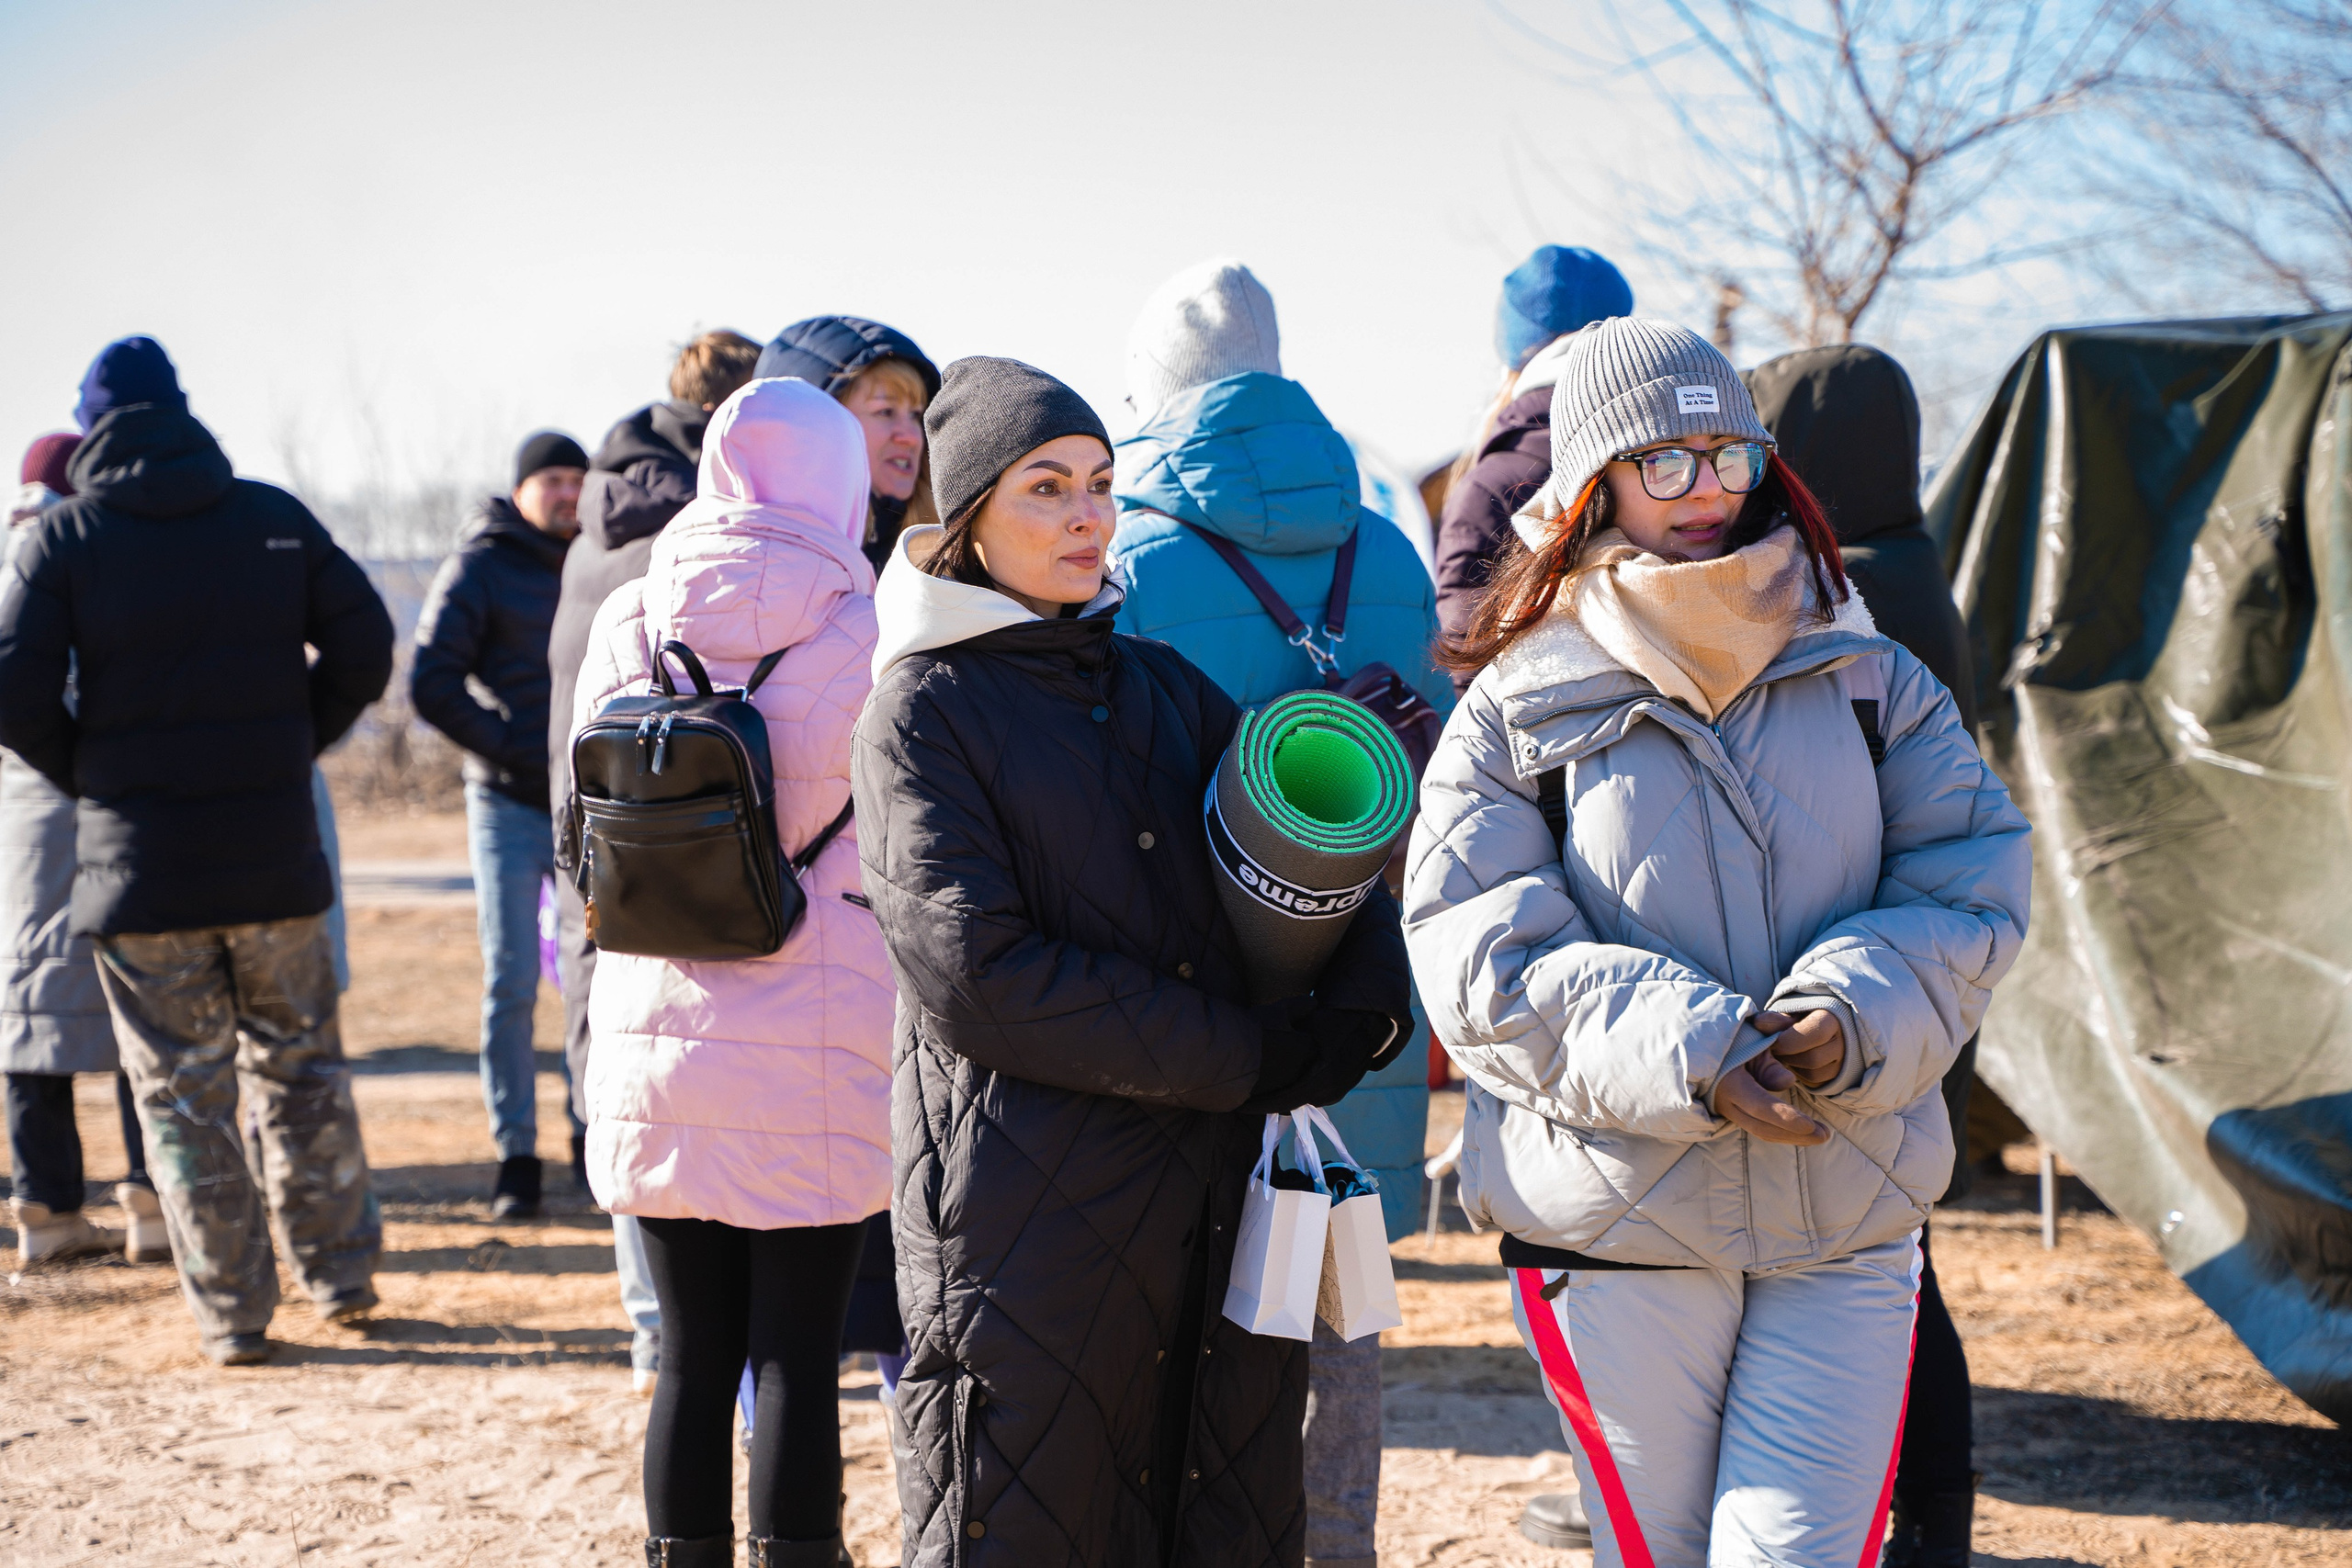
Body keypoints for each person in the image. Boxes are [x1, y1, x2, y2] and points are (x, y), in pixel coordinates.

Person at [1404, 317, 2032, 1568]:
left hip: (1844, 1207)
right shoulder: (1512, 709)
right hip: (1618, 1223)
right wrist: (1690, 1041)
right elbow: (1479, 954)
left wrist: (1855, 1009)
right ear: (1594, 482)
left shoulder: (1867, 673)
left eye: (1728, 455)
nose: (1708, 492)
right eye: (1665, 462)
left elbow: (1976, 877)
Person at [853, 355, 1412, 1568]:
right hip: (1028, 1230)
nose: (1088, 513)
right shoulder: (921, 711)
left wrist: (1365, 1002)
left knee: (1224, 1522)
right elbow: (977, 973)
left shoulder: (1164, 683)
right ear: (967, 518)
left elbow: (1310, 863)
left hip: (1218, 1223)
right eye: (1046, 487)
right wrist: (1246, 1055)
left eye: (1101, 482)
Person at [1110, 257, 1450, 1568]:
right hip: (1353, 981)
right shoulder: (1391, 553)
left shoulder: (1125, 553)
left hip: (1187, 1002)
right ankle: (1342, 1545)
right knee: (1335, 1298)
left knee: (1185, 1327)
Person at [0, 336, 393, 1366]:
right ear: (180, 411)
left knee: (180, 1095)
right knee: (301, 1069)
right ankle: (341, 1276)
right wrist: (292, 739)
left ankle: (231, 1315)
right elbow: (366, 646)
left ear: (91, 427)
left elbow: (12, 694)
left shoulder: (63, 538)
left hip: (142, 876)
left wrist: (97, 777)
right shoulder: (267, 517)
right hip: (274, 856)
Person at [573, 377, 894, 1568]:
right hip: (824, 1032)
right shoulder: (870, 625)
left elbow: (582, 814)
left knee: (693, 1353)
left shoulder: (629, 616)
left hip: (657, 1022)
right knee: (796, 1354)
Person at [1744, 344, 1982, 1568]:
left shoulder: (1838, 592)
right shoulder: (1920, 566)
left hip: (1854, 970)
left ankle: (1922, 1506)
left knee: (1883, 1259)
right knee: (1901, 1243)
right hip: (1919, 961)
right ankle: (1934, 1504)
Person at [548, 328, 763, 1393]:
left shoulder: (597, 523)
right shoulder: (702, 536)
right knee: (708, 1072)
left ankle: (651, 1328)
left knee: (624, 1066)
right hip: (698, 836)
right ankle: (691, 1334)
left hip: (598, 837)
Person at [3, 431, 166, 1270]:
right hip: (104, 809)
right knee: (135, 1005)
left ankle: (46, 1210)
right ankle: (150, 1201)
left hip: (19, 828)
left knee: (31, 1014)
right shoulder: (86, 565)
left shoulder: (10, 563)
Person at [413, 430, 586, 1219]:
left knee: (595, 978)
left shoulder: (598, 559)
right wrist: (514, 744)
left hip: (584, 801)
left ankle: (590, 1133)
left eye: (577, 479)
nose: (567, 493)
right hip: (508, 800)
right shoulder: (481, 563)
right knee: (512, 978)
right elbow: (430, 679)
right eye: (551, 479)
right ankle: (516, 1154)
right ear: (521, 488)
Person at [1434, 245, 1634, 695]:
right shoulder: (1673, 462)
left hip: (1539, 749)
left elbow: (1471, 667)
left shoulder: (1489, 485)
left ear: (1511, 356)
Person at [755, 316, 942, 572]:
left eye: (916, 415)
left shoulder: (948, 557)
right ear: (813, 427)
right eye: (885, 411)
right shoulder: (759, 561)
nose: (910, 436)